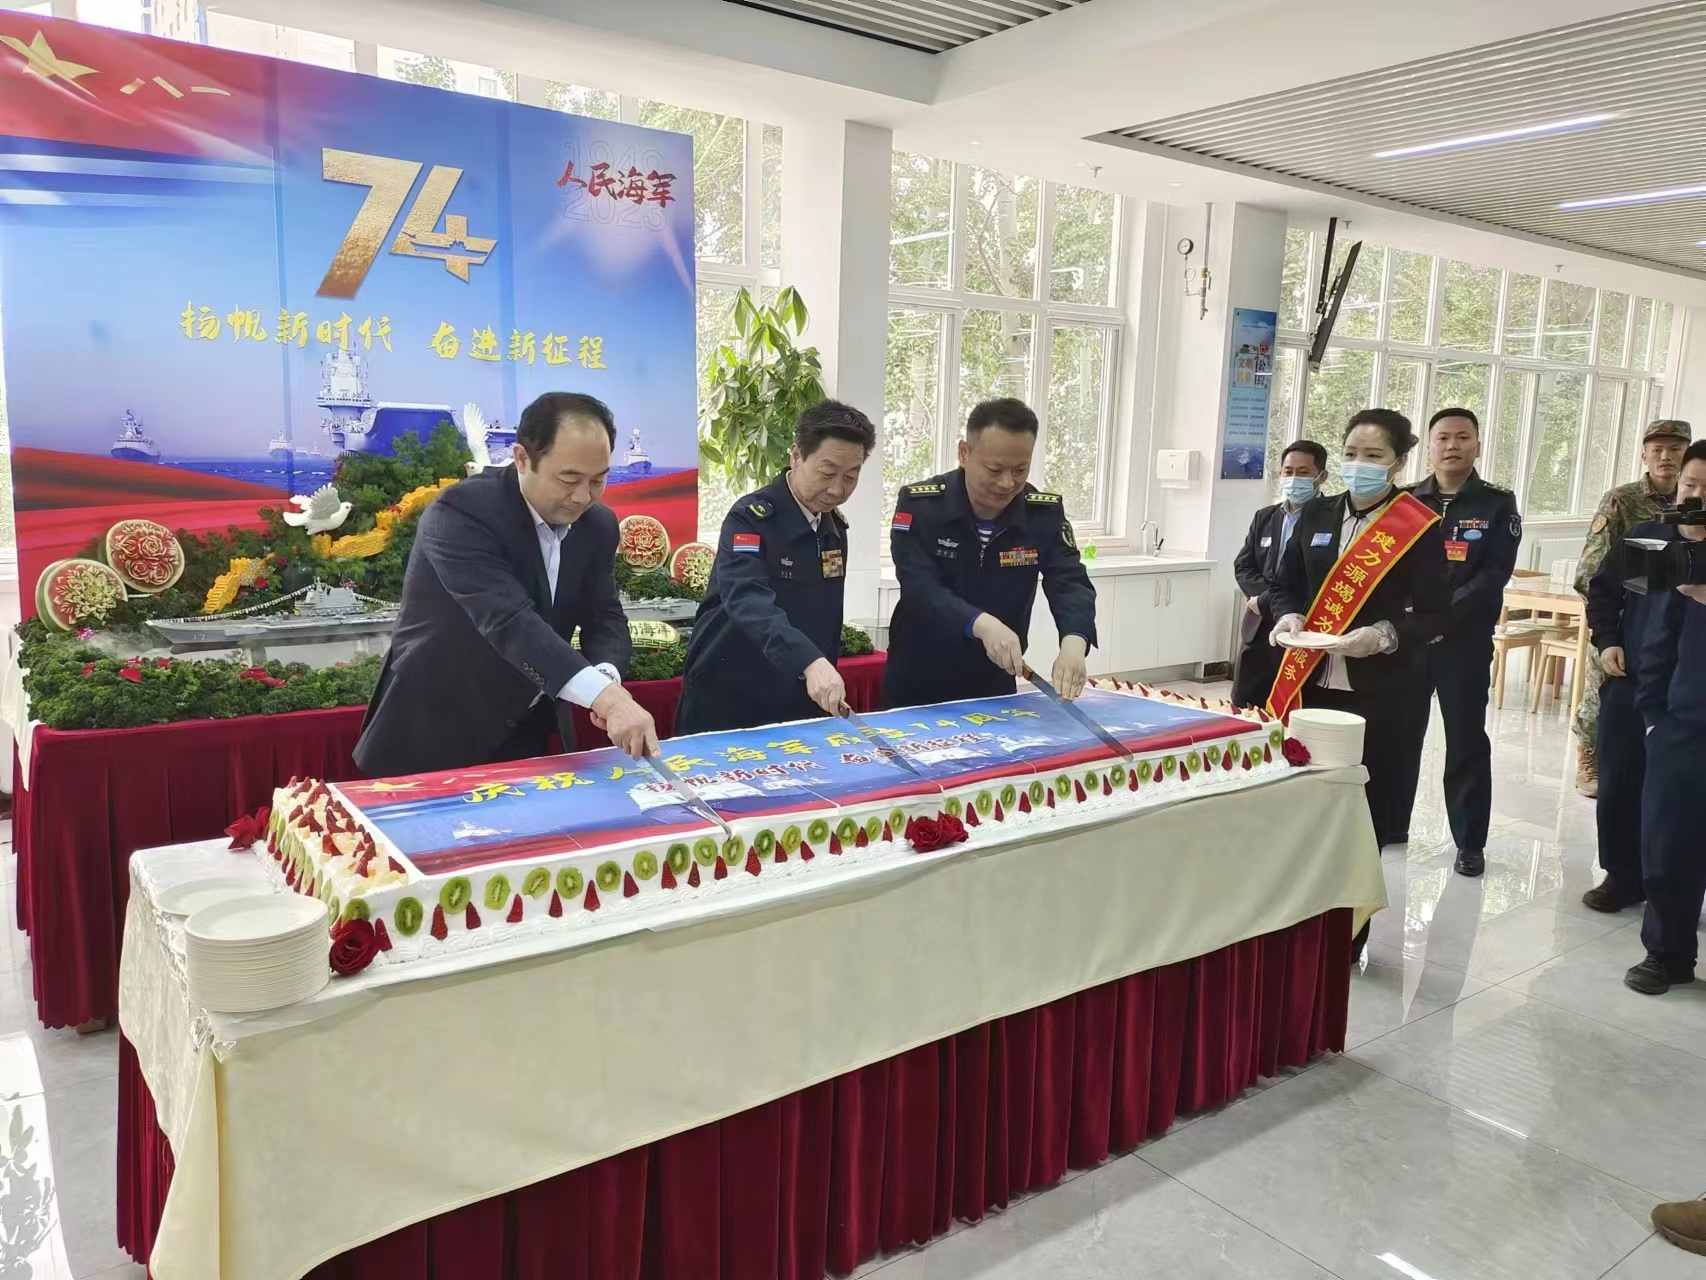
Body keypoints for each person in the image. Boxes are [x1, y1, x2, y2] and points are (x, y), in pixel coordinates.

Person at [353, 391, 658, 777]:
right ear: (522, 459)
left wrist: (606, 677)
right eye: (569, 479)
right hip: (432, 734)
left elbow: (605, 616)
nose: (583, 497)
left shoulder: (597, 525)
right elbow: (509, 620)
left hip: (527, 732)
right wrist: (608, 700)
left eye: (598, 480)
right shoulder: (461, 513)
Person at [1269, 409, 1450, 852]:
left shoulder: (1418, 525)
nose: (1358, 464)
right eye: (1351, 453)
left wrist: (1385, 635)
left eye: (1373, 455)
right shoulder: (1318, 512)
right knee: (1310, 788)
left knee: (1370, 799)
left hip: (1383, 688)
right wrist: (1288, 615)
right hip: (1313, 677)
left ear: (1398, 463)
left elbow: (1435, 613)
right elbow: (1285, 584)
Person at [675, 401, 876, 734]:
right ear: (796, 456)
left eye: (850, 477)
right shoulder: (749, 519)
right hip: (730, 702)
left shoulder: (833, 528)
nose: (837, 489)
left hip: (797, 699)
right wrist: (810, 662)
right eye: (827, 473)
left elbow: (825, 617)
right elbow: (748, 600)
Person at [884, 397, 1097, 709]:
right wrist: (981, 624)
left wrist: (1074, 642)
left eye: (1020, 469)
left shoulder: (1041, 514)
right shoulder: (922, 507)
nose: (1007, 483)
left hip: (995, 680)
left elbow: (1070, 581)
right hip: (920, 678)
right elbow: (921, 588)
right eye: (995, 469)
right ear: (964, 453)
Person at [1403, 408, 1522, 877]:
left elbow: (1493, 576)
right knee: (1400, 737)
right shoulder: (1406, 501)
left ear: (1477, 445)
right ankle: (1391, 826)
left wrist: (1440, 618)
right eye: (1443, 437)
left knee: (1466, 740)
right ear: (1429, 446)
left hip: (1464, 642)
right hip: (1408, 642)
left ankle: (1470, 842)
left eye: (1462, 437)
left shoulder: (1496, 503)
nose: (1452, 445)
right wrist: (1415, 623)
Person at [1572, 419, 1691, 797]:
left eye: (1675, 449)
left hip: (1673, 624)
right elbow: (1592, 569)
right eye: (1657, 450)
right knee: (1602, 690)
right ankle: (1589, 755)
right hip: (1623, 618)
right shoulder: (1622, 499)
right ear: (1644, 455)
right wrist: (1610, 627)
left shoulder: (1692, 503)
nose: (1666, 457)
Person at [1629, 438, 1706, 995]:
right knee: (1668, 843)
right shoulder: (1662, 545)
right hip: (1681, 725)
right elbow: (1653, 638)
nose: (1696, 498)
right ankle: (1667, 954)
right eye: (1691, 485)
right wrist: (1653, 715)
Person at [1581, 503, 1680, 913]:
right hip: (1633, 675)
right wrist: (1608, 640)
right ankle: (1622, 875)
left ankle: (1675, 883)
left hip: (1691, 686)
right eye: (1690, 486)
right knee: (1620, 779)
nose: (1696, 497)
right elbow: (1605, 593)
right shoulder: (1650, 539)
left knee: (1681, 790)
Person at [1230, 440, 1327, 710]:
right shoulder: (1265, 516)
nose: (1294, 478)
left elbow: (1317, 577)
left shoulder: (1330, 519)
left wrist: (1267, 600)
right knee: (1245, 707)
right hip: (1259, 627)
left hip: (1302, 627)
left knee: (1291, 709)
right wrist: (1268, 599)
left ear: (1322, 476)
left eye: (1303, 472)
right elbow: (1243, 565)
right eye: (1288, 471)